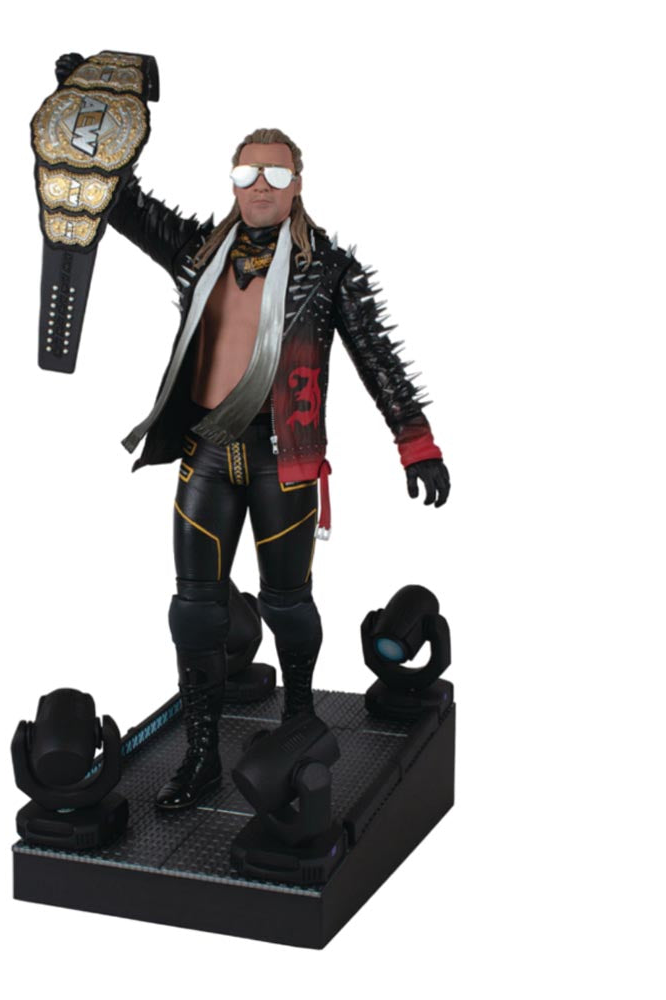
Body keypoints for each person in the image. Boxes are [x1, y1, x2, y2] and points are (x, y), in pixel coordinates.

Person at [108, 128, 450, 810]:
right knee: (193, 610)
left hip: (283, 460)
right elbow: (119, 203)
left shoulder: (328, 269)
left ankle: (299, 721)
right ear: (231, 182)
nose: (260, 184)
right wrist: (105, 123)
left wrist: (416, 443)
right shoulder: (199, 252)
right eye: (246, 173)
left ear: (298, 184)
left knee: (286, 603)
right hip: (207, 452)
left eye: (274, 172)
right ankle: (201, 752)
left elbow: (374, 356)